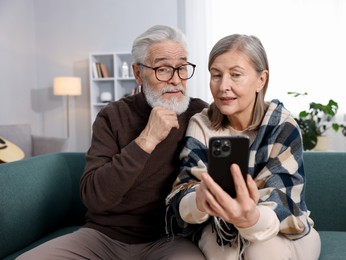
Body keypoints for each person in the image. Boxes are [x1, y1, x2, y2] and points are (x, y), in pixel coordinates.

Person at [17, 25, 208, 260]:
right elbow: (94, 197)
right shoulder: (112, 116)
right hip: (103, 236)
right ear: (138, 73)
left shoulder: (199, 115)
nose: (176, 80)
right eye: (163, 69)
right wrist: (147, 139)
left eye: (182, 68)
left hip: (168, 239)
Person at [166, 34, 321, 260]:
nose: (223, 86)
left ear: (261, 79)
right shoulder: (202, 123)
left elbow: (282, 203)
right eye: (216, 75)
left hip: (283, 231)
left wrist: (251, 218)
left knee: (261, 250)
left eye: (236, 75)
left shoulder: (282, 126)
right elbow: (184, 189)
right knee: (223, 250)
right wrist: (199, 200)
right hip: (219, 228)